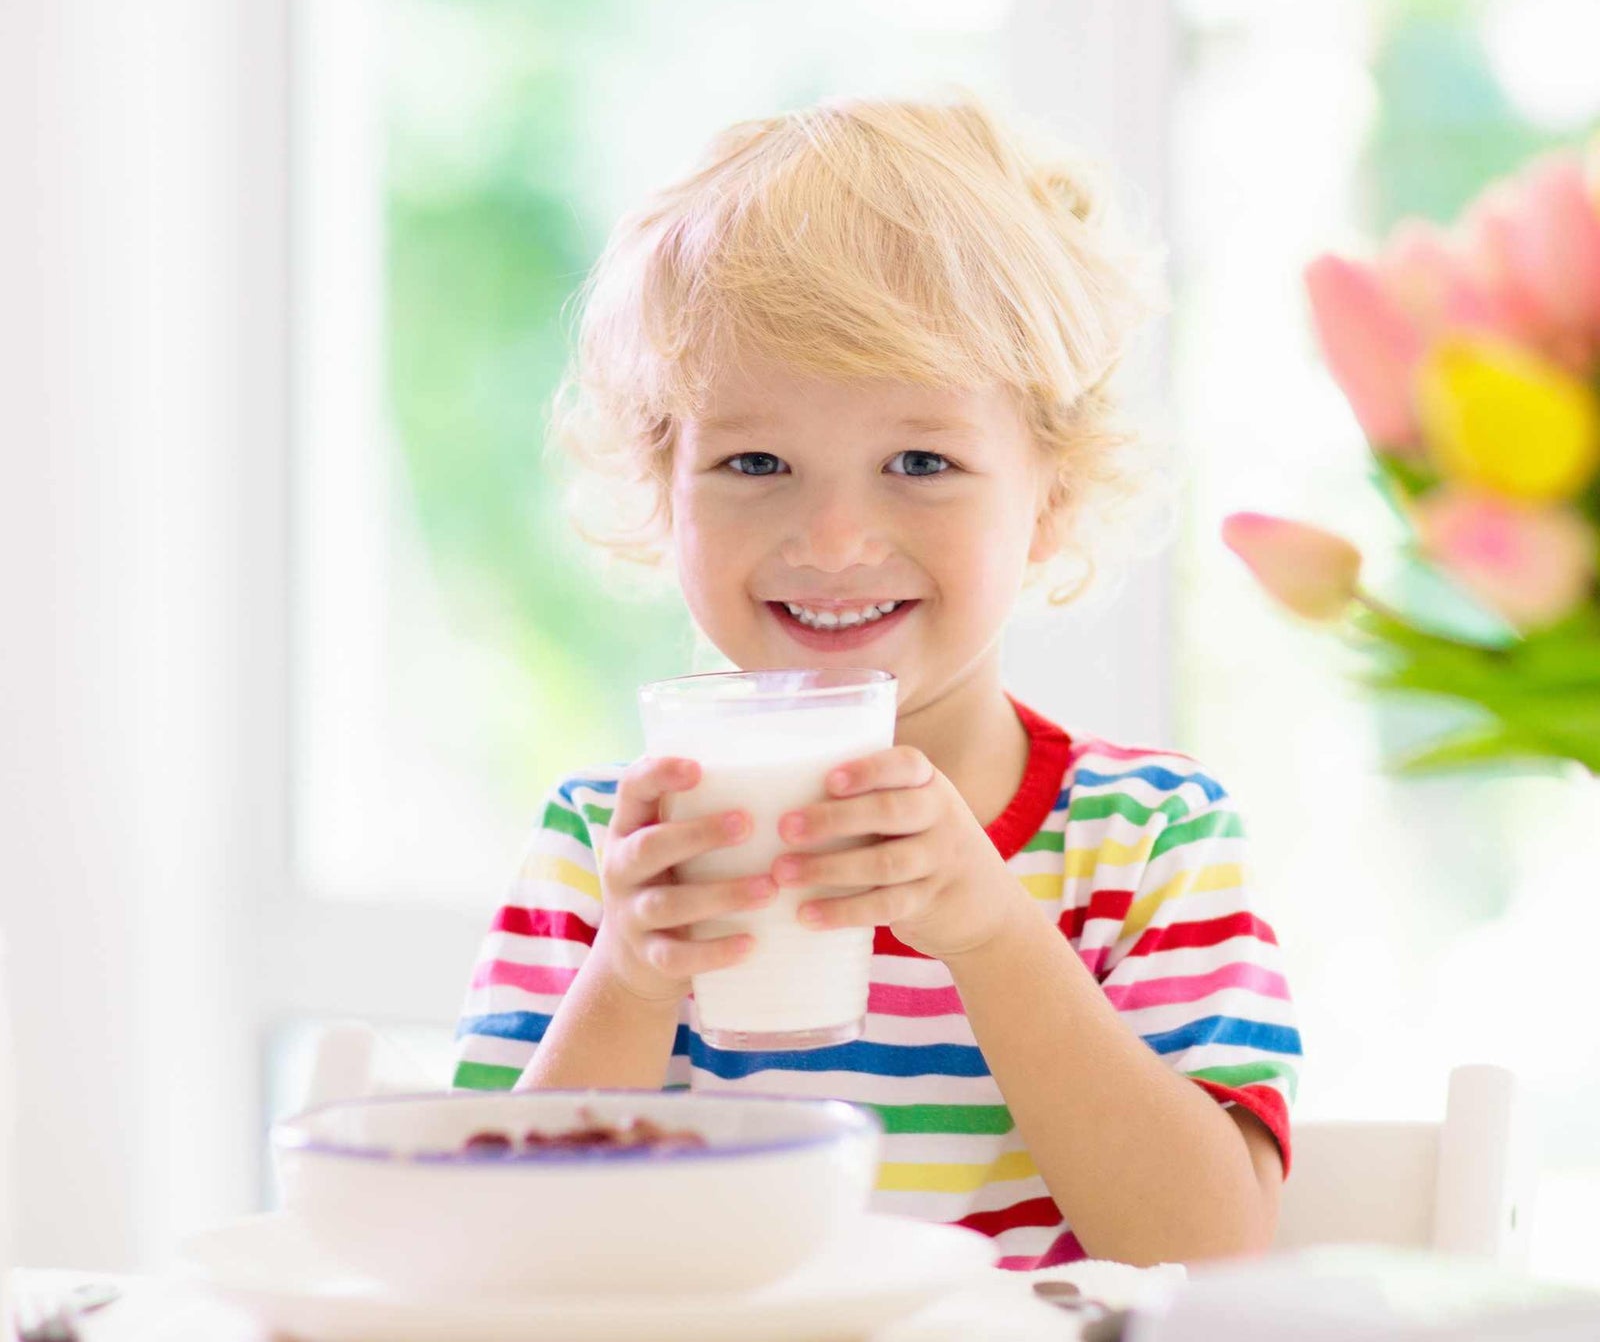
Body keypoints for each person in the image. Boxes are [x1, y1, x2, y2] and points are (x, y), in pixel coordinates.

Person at [451, 94, 1301, 1268]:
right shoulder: (605, 856)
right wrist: (634, 979)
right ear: (663, 488)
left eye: (920, 461)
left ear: (1050, 499)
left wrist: (991, 929)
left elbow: (1209, 1256)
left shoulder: (1144, 839)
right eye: (755, 460)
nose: (836, 538)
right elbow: (485, 1250)